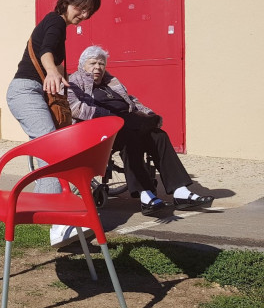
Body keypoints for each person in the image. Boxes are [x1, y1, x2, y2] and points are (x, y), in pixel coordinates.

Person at [5, 0, 101, 247]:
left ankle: (64, 211)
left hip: (33, 92)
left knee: (57, 148)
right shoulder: (56, 23)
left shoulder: (55, 25)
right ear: (67, 1)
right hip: (25, 91)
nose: (84, 15)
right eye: (81, 7)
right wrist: (52, 71)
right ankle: (57, 221)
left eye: (89, 12)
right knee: (50, 146)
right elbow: (46, 51)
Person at [68, 45, 214, 215]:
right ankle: (146, 195)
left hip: (128, 123)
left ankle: (180, 192)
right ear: (82, 65)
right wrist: (111, 117)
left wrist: (148, 113)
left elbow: (131, 101)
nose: (98, 67)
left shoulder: (110, 81)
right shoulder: (74, 82)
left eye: (101, 64)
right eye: (93, 63)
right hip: (101, 129)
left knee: (159, 136)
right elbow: (76, 108)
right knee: (132, 137)